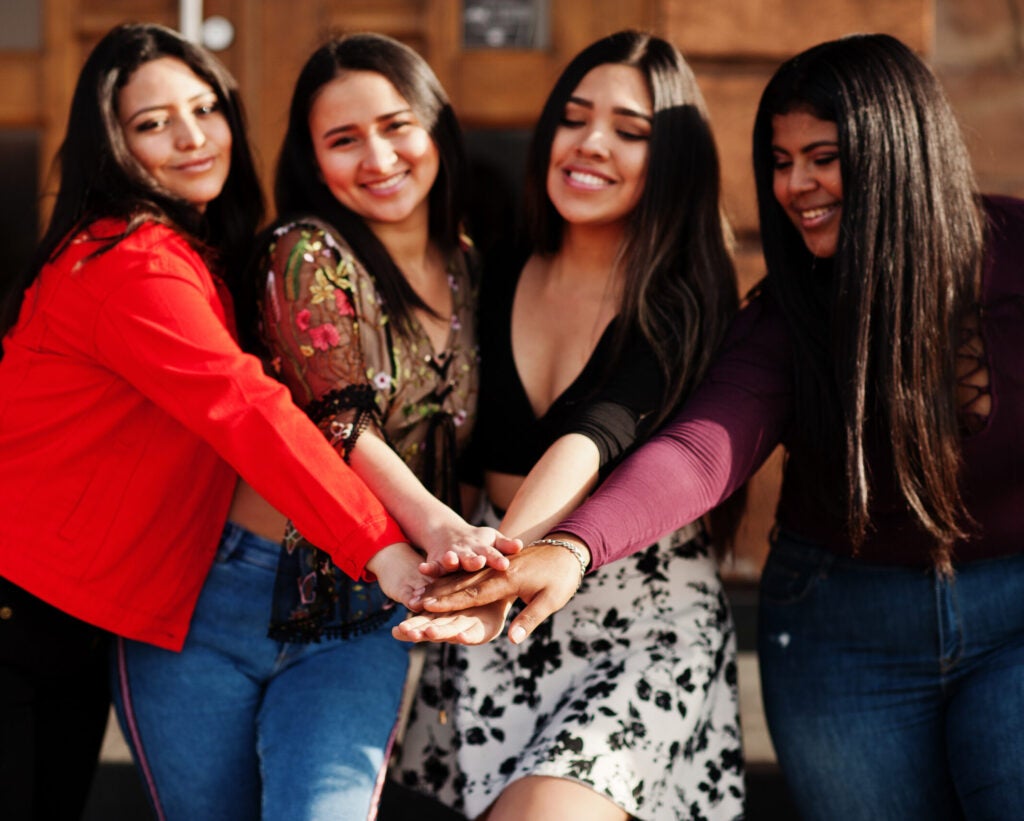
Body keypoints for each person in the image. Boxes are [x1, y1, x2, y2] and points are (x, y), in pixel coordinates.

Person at [411, 33, 1024, 821]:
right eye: (780, 160)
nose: (797, 184)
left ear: (899, 149)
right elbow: (702, 449)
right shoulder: (785, 309)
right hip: (847, 631)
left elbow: (604, 426)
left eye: (823, 156)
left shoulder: (1014, 256)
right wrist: (565, 548)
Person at [0, 23, 503, 821]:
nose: (194, 137)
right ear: (113, 144)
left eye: (206, 107)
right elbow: (249, 411)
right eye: (153, 122)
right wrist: (385, 549)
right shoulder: (132, 261)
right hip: (34, 609)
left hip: (96, 604)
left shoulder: (196, 252)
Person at [393, 30, 745, 821]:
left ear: (675, 159)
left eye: (631, 131)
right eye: (575, 118)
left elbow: (593, 434)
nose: (590, 144)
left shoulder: (684, 294)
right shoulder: (493, 267)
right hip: (499, 611)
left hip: (635, 619)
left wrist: (500, 572)